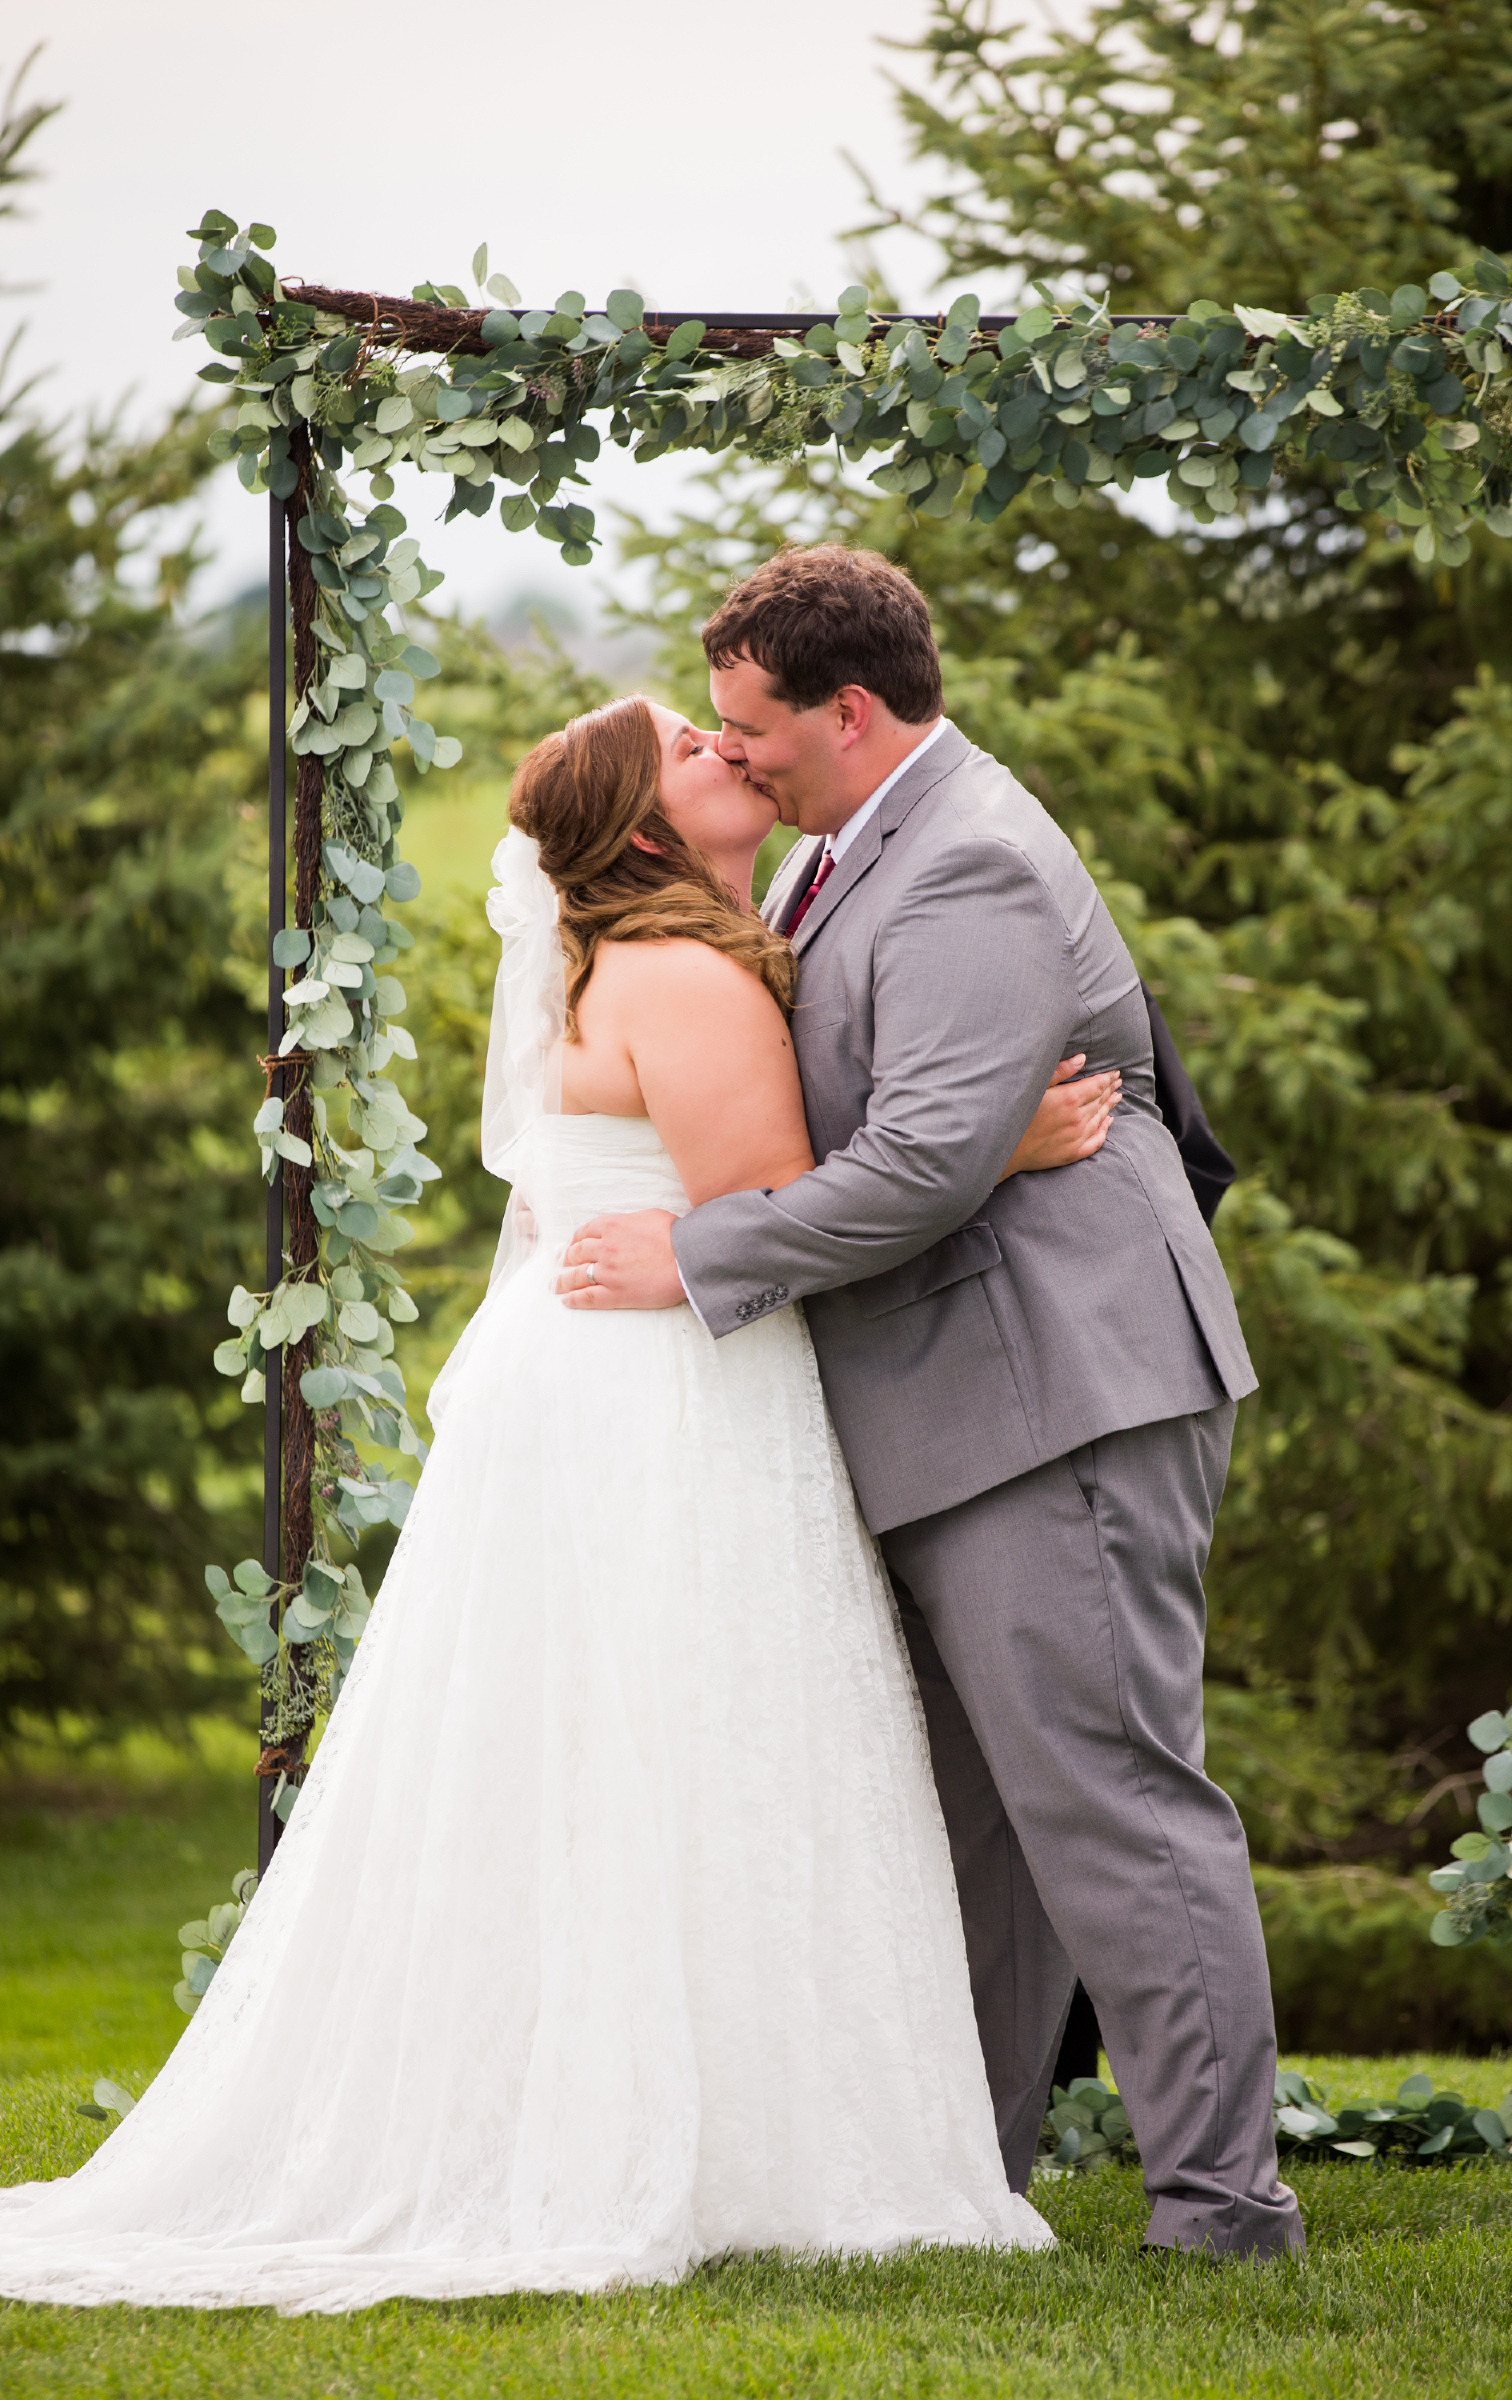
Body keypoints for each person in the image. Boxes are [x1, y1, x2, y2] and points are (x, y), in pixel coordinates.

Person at [0, 690, 1118, 2312]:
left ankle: (629, 2096)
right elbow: (767, 1208)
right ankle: (730, 2133)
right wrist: (991, 1150)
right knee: (702, 1733)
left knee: (595, 1743)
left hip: (573, 1377)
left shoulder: (617, 964)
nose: (728, 751)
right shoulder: (696, 973)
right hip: (669, 1386)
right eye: (690, 748)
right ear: (647, 826)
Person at [557, 545, 1305, 2262]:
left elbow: (910, 1169)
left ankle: (1221, 2210)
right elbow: (918, 1135)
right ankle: (960, 2187)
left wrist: (700, 1254)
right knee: (983, 1822)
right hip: (965, 1395)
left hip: (1058, 1389)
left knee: (1111, 1795)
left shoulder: (964, 860)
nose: (732, 753)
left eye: (749, 726)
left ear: (853, 710)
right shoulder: (849, 849)